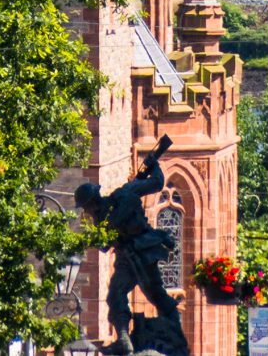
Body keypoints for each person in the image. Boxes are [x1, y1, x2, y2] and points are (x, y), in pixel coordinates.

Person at [75, 139, 188, 356]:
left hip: (141, 252)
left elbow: (104, 245)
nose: (86, 213)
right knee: (117, 296)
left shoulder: (113, 207)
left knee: (155, 296)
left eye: (86, 208)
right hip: (133, 254)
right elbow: (157, 182)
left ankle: (173, 334)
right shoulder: (123, 195)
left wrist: (152, 163)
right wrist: (153, 165)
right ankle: (125, 341)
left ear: (91, 203)